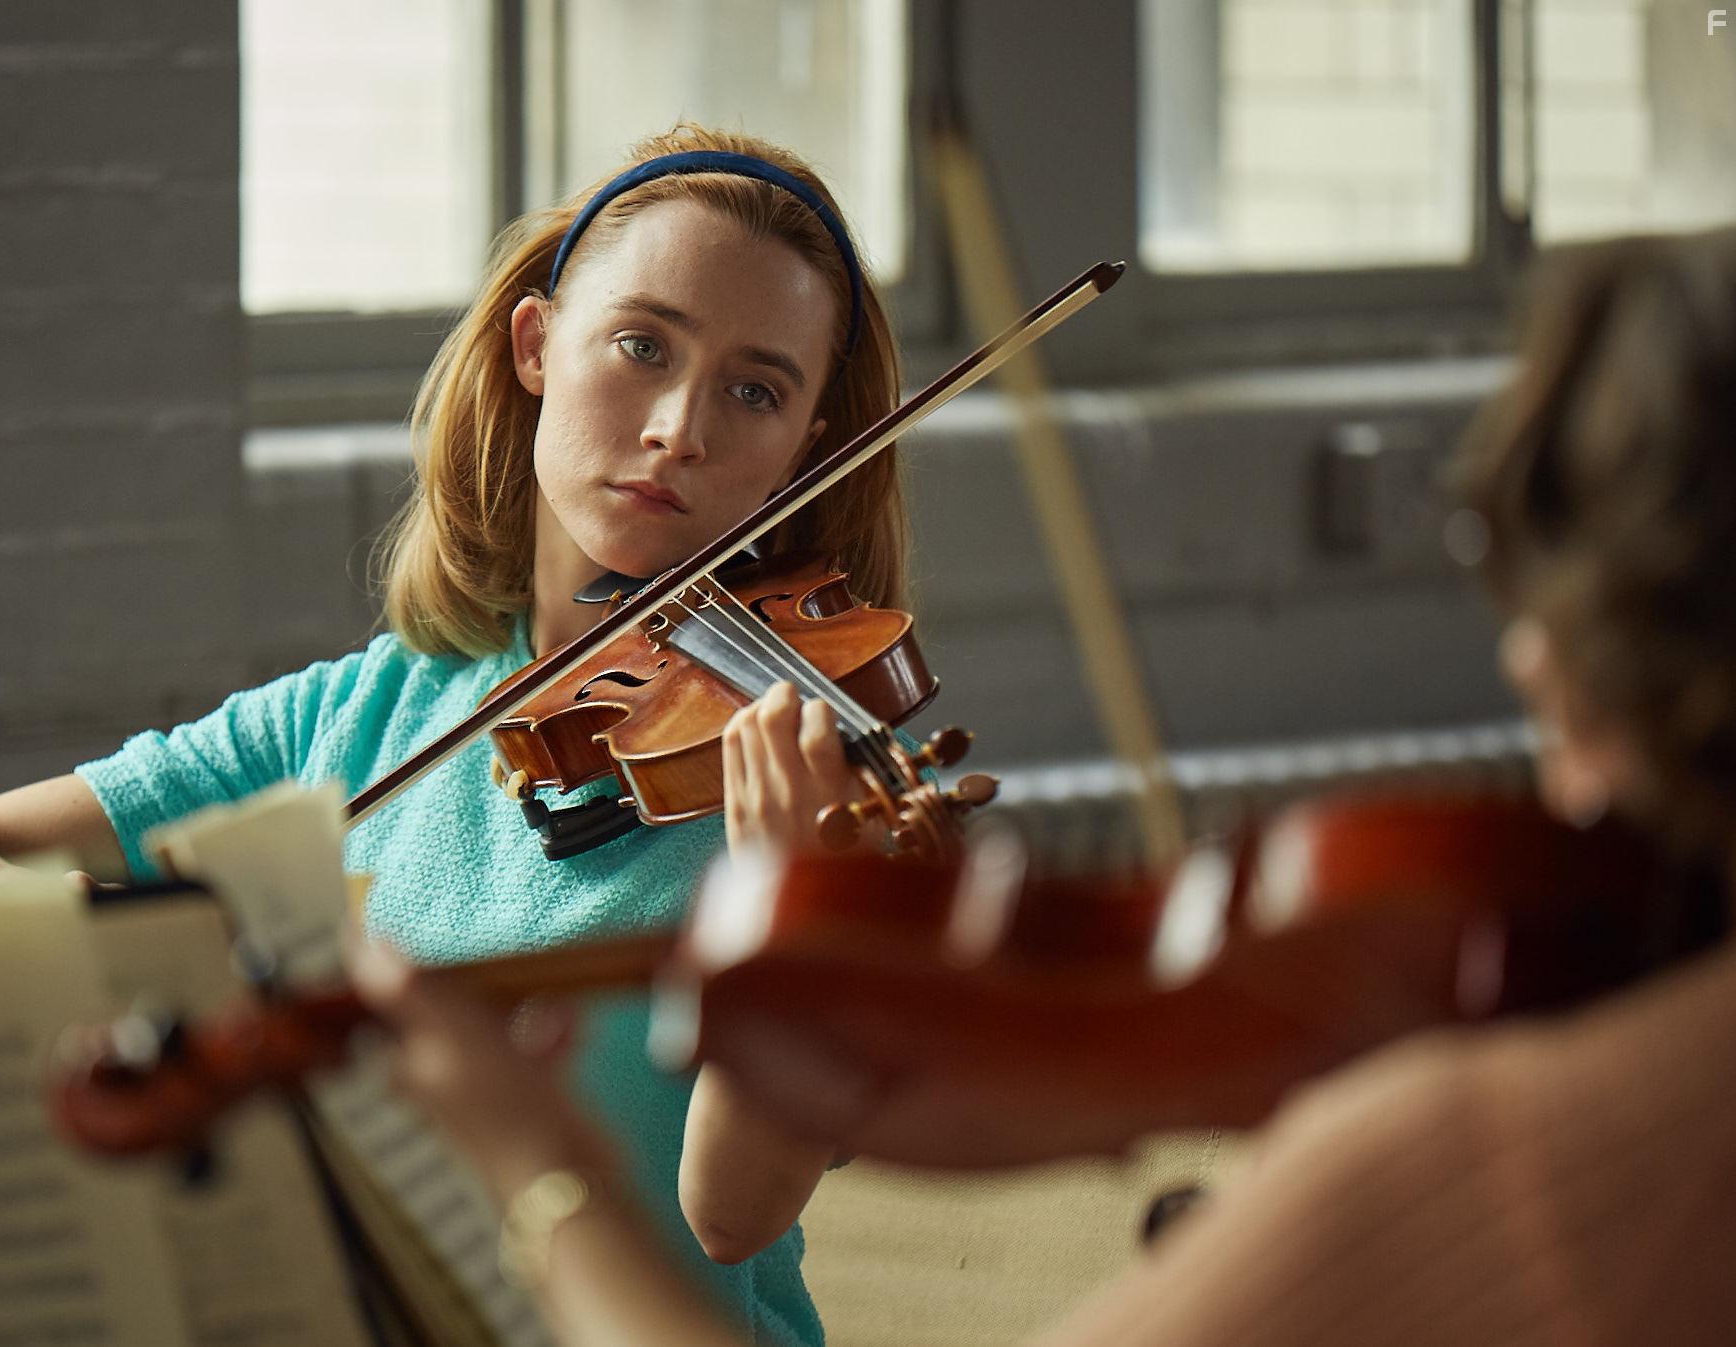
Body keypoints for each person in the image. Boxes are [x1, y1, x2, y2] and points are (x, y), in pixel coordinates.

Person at [340, 225, 1736, 1346]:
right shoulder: (405, 693)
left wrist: (535, 1173)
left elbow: (726, 1208)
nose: (1523, 645)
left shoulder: (1508, 1164)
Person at [0, 123, 918, 1347]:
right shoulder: (355, 714)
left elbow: (729, 1218)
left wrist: (790, 900)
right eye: (640, 345)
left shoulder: (803, 781)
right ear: (534, 345)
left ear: (800, 456)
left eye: (754, 389)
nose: (680, 423)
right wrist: (132, 940)